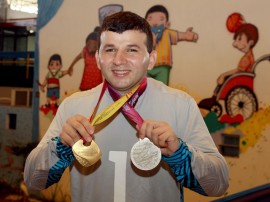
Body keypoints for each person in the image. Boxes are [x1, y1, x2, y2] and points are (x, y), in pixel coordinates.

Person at [24, 11, 229, 202]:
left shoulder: (181, 105)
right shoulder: (73, 107)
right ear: (98, 59)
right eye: (110, 50)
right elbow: (34, 182)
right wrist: (60, 148)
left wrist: (179, 153)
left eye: (131, 50)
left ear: (151, 60)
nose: (119, 60)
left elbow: (217, 185)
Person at [145, 5, 198, 85]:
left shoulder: (168, 33)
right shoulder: (144, 35)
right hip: (146, 65)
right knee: (145, 87)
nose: (155, 23)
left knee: (162, 87)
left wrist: (189, 35)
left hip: (163, 66)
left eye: (161, 19)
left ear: (167, 24)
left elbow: (181, 35)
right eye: (150, 19)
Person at [68, 27, 103, 91]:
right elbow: (77, 58)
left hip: (97, 83)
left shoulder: (100, 51)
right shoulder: (85, 51)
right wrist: (70, 67)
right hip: (86, 82)